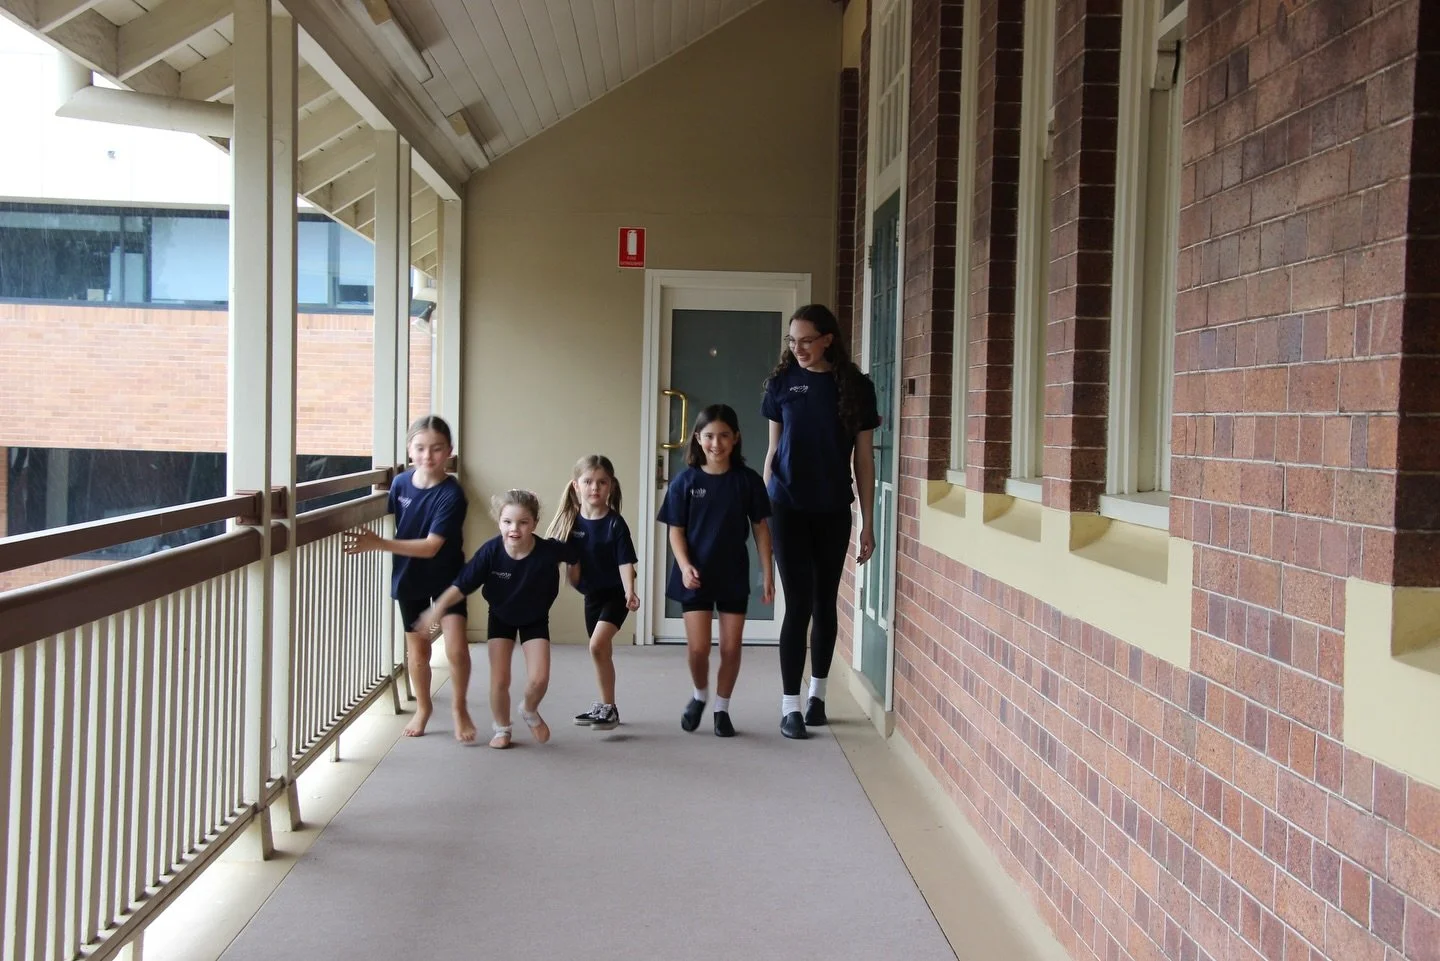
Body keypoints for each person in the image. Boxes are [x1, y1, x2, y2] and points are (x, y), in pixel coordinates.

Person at [761, 304, 880, 740]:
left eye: (807, 341)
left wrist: (868, 523)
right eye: (793, 342)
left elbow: (864, 461)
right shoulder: (781, 384)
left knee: (824, 602)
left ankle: (817, 697)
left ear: (828, 338)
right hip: (787, 507)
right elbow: (773, 453)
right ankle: (789, 705)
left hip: (833, 508)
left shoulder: (855, 388)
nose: (799, 349)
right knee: (798, 605)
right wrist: (762, 506)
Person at [343, 415, 475, 742]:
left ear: (449, 452)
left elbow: (432, 547)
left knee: (456, 648)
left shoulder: (452, 495)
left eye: (436, 449)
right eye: (420, 448)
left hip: (447, 579)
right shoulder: (400, 483)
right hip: (409, 578)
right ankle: (424, 707)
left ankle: (460, 708)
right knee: (418, 652)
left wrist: (379, 544)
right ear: (409, 449)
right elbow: (385, 508)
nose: (427, 456)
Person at [417, 489, 578, 749]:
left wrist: (578, 579)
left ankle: (529, 709)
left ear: (534, 524)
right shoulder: (491, 552)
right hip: (501, 616)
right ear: (499, 522)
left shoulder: (548, 551)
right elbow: (462, 584)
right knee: (500, 680)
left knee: (539, 679)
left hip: (535, 618)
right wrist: (436, 610)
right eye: (507, 522)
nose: (515, 529)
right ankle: (502, 728)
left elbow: (575, 556)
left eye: (523, 522)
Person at [658, 404, 774, 737]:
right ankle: (699, 695)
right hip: (695, 576)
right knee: (697, 649)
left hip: (732, 575)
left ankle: (722, 708)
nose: (716, 443)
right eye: (709, 436)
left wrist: (767, 574)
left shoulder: (747, 481)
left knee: (730, 649)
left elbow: (761, 528)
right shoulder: (685, 481)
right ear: (698, 438)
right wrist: (683, 565)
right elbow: (675, 530)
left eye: (724, 436)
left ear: (736, 439)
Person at [546, 454, 640, 732]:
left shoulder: (615, 523)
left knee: (597, 645)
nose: (595, 488)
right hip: (592, 596)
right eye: (588, 482)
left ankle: (608, 708)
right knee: (601, 653)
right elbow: (560, 558)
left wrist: (630, 592)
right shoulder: (571, 523)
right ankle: (607, 705)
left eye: (602, 482)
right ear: (576, 486)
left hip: (616, 595)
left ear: (611, 486)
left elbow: (626, 562)